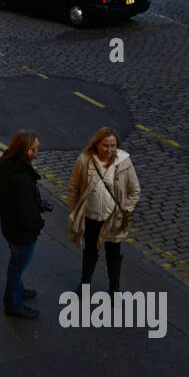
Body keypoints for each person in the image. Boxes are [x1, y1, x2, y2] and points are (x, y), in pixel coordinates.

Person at [67, 127, 141, 296]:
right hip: (91, 217)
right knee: (90, 251)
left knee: (114, 255)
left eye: (113, 146)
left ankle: (114, 289)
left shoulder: (124, 161)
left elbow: (135, 190)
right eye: (106, 145)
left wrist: (126, 209)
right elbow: (73, 188)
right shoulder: (85, 160)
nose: (109, 150)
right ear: (97, 145)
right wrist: (75, 212)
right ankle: (84, 286)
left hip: (114, 219)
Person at [0, 131, 46, 319]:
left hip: (9, 226)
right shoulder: (21, 180)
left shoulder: (7, 163)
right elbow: (26, 214)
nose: (37, 151)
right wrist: (38, 224)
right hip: (21, 233)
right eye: (35, 148)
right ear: (27, 151)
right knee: (17, 268)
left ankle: (19, 290)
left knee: (16, 263)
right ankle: (13, 304)